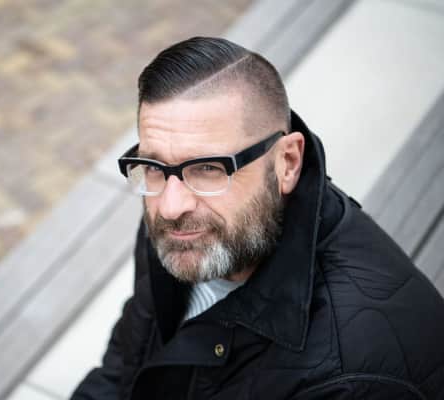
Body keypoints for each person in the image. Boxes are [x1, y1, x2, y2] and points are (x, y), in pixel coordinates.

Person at [71, 37, 444, 399]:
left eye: (208, 168)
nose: (170, 207)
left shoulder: (357, 377)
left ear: (287, 163)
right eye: (153, 166)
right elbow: (124, 366)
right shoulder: (181, 219)